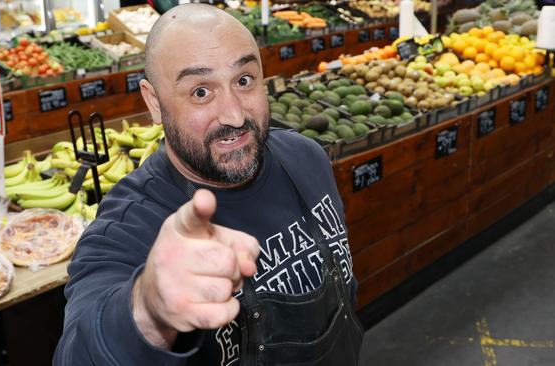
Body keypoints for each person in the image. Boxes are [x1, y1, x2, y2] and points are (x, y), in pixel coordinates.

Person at [54, 4, 363, 365]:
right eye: (200, 91)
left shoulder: (306, 157)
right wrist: (148, 311)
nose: (234, 115)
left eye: (244, 80)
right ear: (154, 103)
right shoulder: (130, 226)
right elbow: (77, 353)